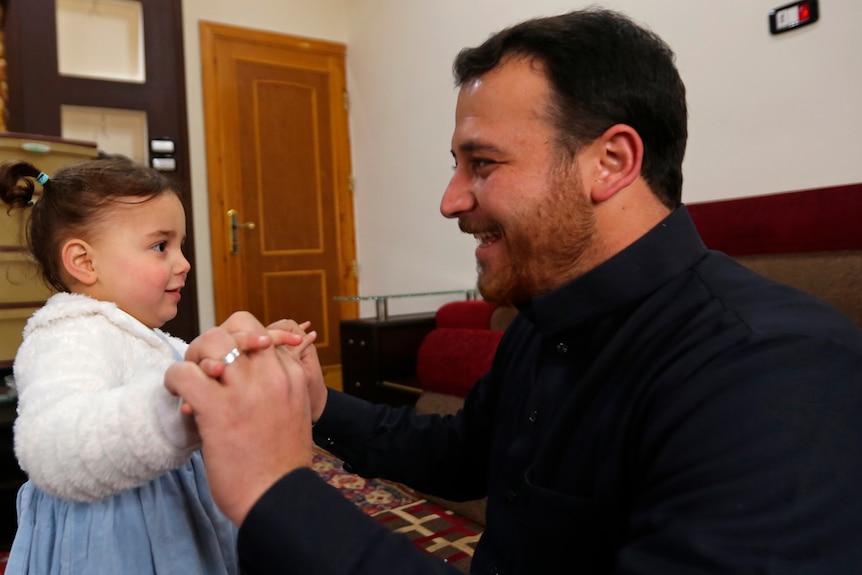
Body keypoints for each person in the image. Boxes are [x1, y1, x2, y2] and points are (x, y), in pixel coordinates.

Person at [166, 8, 862, 575]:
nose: (449, 199)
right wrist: (314, 401)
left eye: (483, 163)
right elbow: (459, 453)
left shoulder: (770, 368)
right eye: (455, 164)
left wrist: (276, 489)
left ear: (611, 161)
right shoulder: (545, 316)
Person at [0, 156, 262, 574]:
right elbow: (48, 445)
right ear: (84, 263)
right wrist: (170, 412)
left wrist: (233, 358)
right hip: (113, 545)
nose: (183, 263)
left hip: (169, 525)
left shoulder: (152, 337)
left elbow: (176, 376)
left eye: (181, 245)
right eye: (161, 246)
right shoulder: (67, 335)